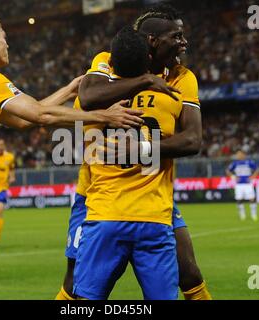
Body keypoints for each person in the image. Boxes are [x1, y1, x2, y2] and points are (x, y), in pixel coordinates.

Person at [0, 16, 143, 300]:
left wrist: (70, 90)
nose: (7, 44)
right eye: (4, 37)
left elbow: (26, 121)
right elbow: (40, 114)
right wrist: (104, 115)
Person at [56, 4, 211, 301]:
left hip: (153, 197)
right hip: (96, 196)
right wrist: (145, 81)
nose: (184, 43)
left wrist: (143, 148)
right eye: (176, 36)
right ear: (152, 41)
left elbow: (193, 140)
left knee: (189, 271)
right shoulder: (107, 62)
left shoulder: (181, 77)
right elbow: (87, 97)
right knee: (75, 280)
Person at [73, 26, 185, 300]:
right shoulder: (166, 99)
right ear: (149, 59)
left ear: (111, 62)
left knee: (85, 302)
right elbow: (188, 141)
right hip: (153, 217)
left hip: (105, 215)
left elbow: (83, 108)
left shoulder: (88, 104)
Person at [226, 150, 259, 221]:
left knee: (252, 199)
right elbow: (228, 171)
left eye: (240, 154)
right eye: (237, 154)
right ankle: (242, 215)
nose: (238, 156)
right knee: (239, 200)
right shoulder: (235, 163)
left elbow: (257, 169)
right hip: (239, 185)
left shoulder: (249, 162)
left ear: (244, 155)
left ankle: (254, 215)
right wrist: (233, 177)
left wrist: (253, 176)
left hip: (248, 184)